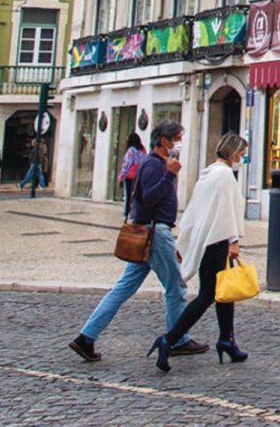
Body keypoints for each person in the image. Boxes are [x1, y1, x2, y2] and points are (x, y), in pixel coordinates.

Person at [69, 120, 200, 363]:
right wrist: (169, 175)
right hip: (154, 234)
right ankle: (179, 340)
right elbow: (149, 198)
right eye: (178, 138)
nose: (180, 143)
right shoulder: (153, 165)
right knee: (176, 287)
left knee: (123, 288)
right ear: (164, 141)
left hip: (150, 233)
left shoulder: (156, 163)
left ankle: (86, 337)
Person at [152, 132, 249, 372]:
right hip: (218, 242)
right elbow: (227, 210)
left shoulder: (207, 174)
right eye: (242, 155)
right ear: (233, 152)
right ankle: (170, 338)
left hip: (207, 241)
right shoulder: (225, 176)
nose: (242, 160)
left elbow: (195, 210)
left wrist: (185, 243)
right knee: (208, 294)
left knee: (223, 293)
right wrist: (234, 240)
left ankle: (227, 340)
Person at [118, 132, 146, 211]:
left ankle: (126, 213)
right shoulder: (143, 150)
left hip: (130, 176)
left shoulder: (131, 150)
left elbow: (127, 164)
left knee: (128, 195)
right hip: (140, 175)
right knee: (136, 195)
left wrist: (121, 176)